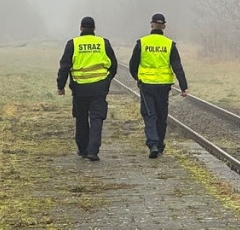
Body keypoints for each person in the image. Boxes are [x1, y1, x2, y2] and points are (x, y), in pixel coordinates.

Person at [57, 16, 118, 161]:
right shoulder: (103, 43)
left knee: (81, 118)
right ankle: (93, 150)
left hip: (80, 89)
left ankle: (83, 149)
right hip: (99, 88)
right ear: (94, 28)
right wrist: (106, 81)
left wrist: (61, 86)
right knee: (97, 118)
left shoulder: (73, 44)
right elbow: (113, 65)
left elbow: (64, 66)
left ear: (81, 28)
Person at [129, 13, 188, 158]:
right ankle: (159, 143)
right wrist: (183, 86)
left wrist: (138, 78)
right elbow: (177, 66)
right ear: (164, 26)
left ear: (151, 25)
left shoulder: (142, 42)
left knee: (150, 114)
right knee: (162, 115)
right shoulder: (169, 44)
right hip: (163, 86)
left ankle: (153, 143)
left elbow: (133, 65)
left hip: (147, 85)